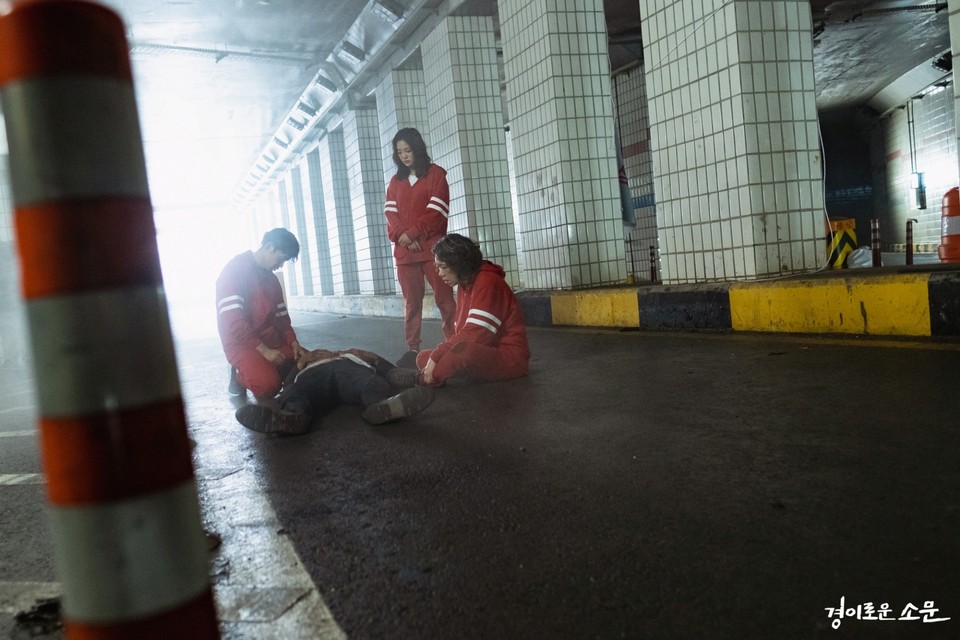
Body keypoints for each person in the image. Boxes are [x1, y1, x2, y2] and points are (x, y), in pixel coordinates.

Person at [234, 347, 435, 435]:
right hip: (313, 375)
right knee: (297, 392)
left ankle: (381, 406)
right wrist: (301, 363)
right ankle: (291, 417)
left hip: (349, 368)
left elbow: (390, 371)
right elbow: (288, 386)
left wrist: (372, 357)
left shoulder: (352, 355)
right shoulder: (308, 362)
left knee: (370, 382)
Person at [384, 128, 457, 367]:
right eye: (399, 152)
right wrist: (403, 236)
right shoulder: (396, 182)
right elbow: (390, 215)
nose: (404, 156)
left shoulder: (436, 175)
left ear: (417, 148)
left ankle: (454, 342)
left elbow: (437, 212)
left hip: (433, 251)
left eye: (408, 150)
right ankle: (412, 349)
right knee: (411, 303)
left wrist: (412, 233)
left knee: (444, 300)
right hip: (405, 253)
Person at [416, 233, 530, 386]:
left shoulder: (488, 281)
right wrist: (438, 356)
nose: (440, 273)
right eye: (438, 267)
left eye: (444, 267)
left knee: (461, 352)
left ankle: (418, 379)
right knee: (422, 357)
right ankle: (439, 373)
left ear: (459, 263)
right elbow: (463, 332)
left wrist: (438, 355)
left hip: (510, 358)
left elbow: (476, 333)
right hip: (485, 349)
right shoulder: (465, 283)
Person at [216, 228, 307, 400]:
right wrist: (265, 351)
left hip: (271, 340)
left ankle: (268, 368)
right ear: (269, 247)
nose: (280, 265)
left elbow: (282, 319)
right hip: (242, 343)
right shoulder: (233, 272)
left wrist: (293, 342)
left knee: (309, 364)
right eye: (281, 258)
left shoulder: (271, 280)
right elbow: (234, 323)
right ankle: (238, 373)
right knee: (267, 388)